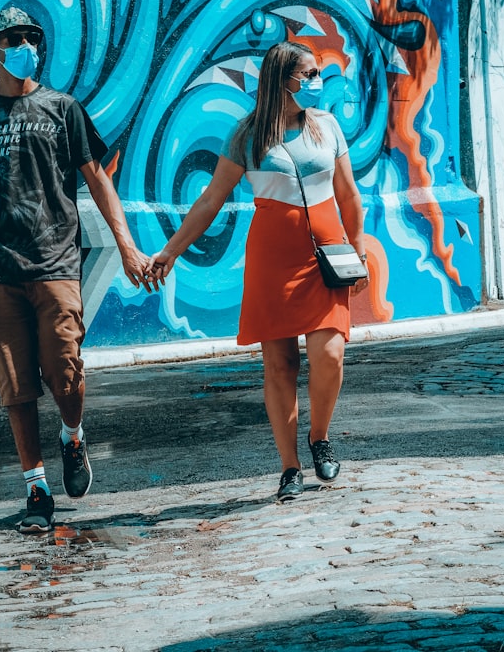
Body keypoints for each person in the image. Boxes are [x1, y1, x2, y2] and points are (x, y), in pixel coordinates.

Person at [0, 6, 155, 534]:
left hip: (57, 263)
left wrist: (127, 248)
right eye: (12, 39)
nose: (24, 47)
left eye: (30, 38)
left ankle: (73, 434)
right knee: (15, 385)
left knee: (65, 371)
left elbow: (98, 180)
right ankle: (35, 485)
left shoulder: (63, 109)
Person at [150, 41, 367, 502]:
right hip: (272, 262)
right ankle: (290, 467)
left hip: (327, 257)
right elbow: (211, 200)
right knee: (280, 364)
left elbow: (348, 196)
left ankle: (319, 436)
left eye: (316, 74)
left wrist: (359, 249)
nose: (316, 82)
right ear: (281, 80)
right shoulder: (247, 135)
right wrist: (170, 251)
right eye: (307, 75)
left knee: (330, 354)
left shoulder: (326, 126)